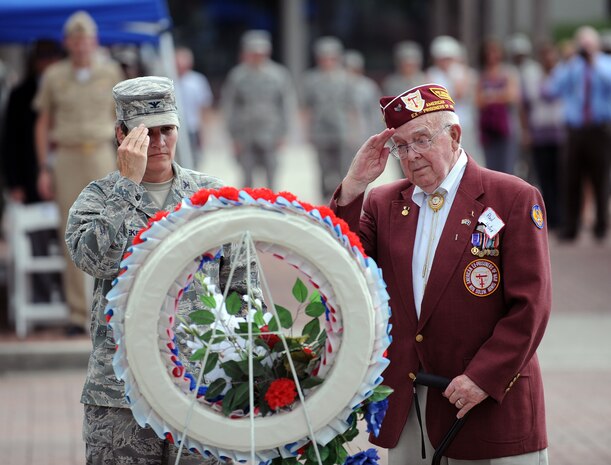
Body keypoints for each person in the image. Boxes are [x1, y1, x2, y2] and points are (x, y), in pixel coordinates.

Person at [331, 83, 551, 464]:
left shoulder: (512, 197)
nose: (411, 155)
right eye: (400, 146)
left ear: (454, 135)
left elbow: (531, 306)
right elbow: (341, 267)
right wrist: (355, 186)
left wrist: (482, 378)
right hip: (410, 410)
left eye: (421, 140)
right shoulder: (384, 204)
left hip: (488, 404)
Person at [66, 76, 257, 464]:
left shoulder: (212, 196)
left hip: (201, 384)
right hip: (120, 394)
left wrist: (244, 369)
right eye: (144, 133)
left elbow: (242, 288)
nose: (158, 143)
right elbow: (95, 261)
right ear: (120, 134)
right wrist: (127, 185)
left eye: (166, 130)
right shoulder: (98, 197)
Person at [34, 10, 124, 335]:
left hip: (101, 154)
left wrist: (125, 164)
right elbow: (43, 123)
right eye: (75, 40)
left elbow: (122, 121)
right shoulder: (55, 76)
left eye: (86, 39)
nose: (82, 46)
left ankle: (108, 307)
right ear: (67, 43)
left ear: (94, 41)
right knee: (71, 232)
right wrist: (45, 166)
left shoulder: (110, 71)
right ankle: (77, 313)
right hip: (68, 157)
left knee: (111, 229)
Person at [545, 25, 611, 241]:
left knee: (599, 178)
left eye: (589, 46)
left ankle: (600, 226)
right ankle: (570, 227)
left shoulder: (604, 64)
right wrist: (569, 62)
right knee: (571, 179)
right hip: (575, 130)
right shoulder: (572, 66)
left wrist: (593, 63)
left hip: (598, 129)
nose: (585, 50)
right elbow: (552, 90)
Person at [220, 30, 297, 190]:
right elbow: (229, 106)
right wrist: (232, 136)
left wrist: (284, 133)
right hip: (245, 133)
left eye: (261, 53)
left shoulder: (278, 75)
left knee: (271, 174)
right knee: (246, 176)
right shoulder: (238, 75)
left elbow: (286, 105)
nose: (257, 56)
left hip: (271, 131)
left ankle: (271, 208)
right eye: (254, 53)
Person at [302, 36, 356, 200]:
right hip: (320, 131)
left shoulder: (346, 79)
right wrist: (307, 132)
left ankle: (343, 200)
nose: (328, 61)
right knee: (323, 169)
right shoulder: (311, 80)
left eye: (331, 57)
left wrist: (353, 131)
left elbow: (352, 108)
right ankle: (325, 201)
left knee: (344, 169)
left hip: (342, 130)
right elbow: (306, 108)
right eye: (324, 57)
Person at [475, 37, 520, 174]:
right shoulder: (482, 75)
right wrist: (498, 96)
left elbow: (512, 96)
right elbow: (478, 101)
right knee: (491, 168)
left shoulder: (508, 72)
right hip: (488, 129)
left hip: (505, 127)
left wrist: (490, 96)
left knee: (507, 167)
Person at [175, 45, 213, 164]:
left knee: (194, 160)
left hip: (192, 127)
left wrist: (204, 131)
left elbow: (204, 106)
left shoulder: (197, 81)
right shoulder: (168, 79)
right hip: (174, 128)